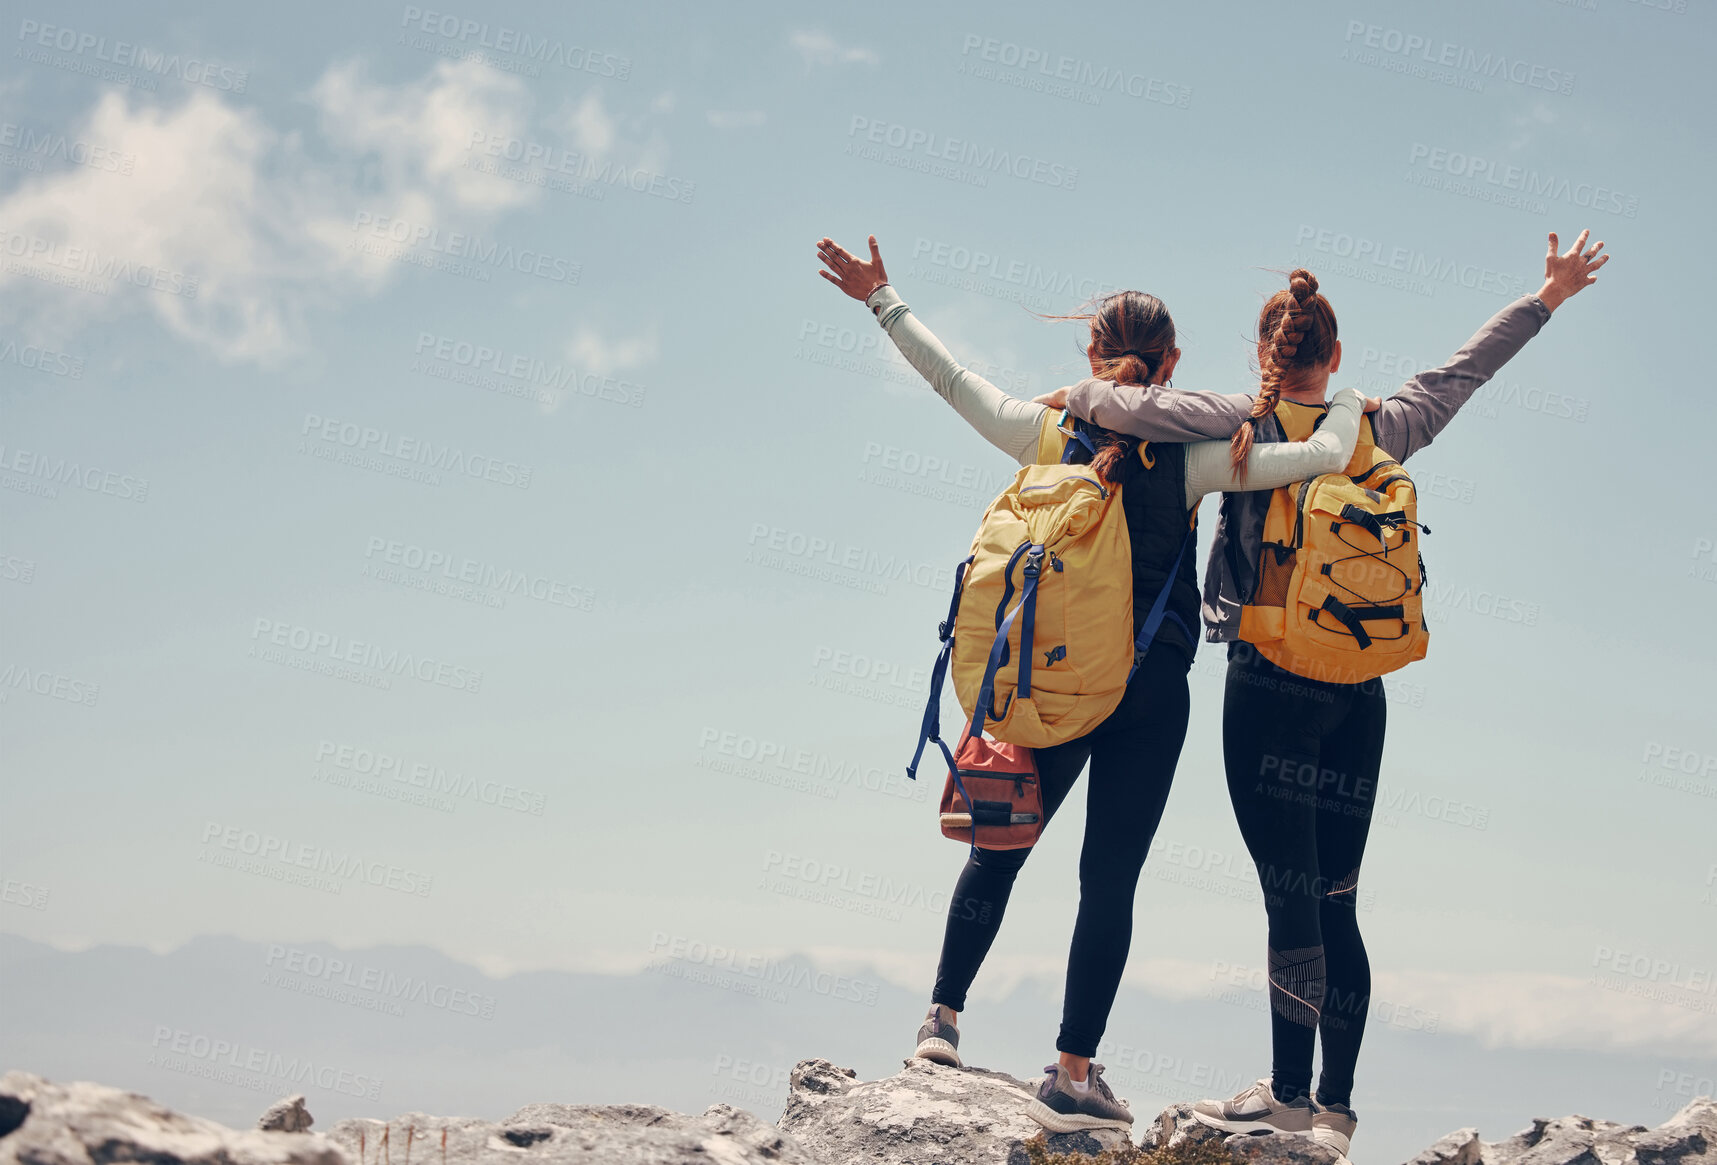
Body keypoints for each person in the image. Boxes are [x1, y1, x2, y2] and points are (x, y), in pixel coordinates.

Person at [1053, 231, 1609, 1154]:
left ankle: (1284, 1095)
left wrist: (1069, 392)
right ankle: (1336, 1104)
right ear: (1336, 355)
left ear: (1262, 357)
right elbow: (1465, 371)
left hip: (1266, 681)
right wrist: (1545, 295)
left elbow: (1116, 404)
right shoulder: (1381, 425)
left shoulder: (1232, 427)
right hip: (1361, 691)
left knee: (1288, 897)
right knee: (1339, 897)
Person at [815, 234, 1370, 1134]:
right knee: (1108, 881)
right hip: (1148, 695)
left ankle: (941, 1023)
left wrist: (883, 299)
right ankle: (1073, 1069)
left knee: (998, 847)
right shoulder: (1196, 457)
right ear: (1174, 364)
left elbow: (953, 382)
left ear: (1090, 354)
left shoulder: (1047, 432)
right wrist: (1339, 405)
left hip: (1053, 683)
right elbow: (1316, 459)